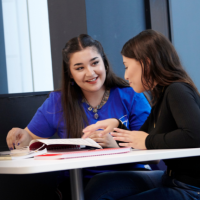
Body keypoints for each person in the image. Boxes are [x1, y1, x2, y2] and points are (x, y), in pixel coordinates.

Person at [6, 34, 151, 200]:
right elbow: (30, 139)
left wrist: (116, 148)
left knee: (99, 191)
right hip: (77, 182)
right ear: (70, 74)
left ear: (104, 63)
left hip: (129, 176)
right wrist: (20, 136)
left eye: (95, 63)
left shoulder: (131, 95)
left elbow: (151, 148)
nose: (90, 73)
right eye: (79, 68)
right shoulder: (57, 101)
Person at [83, 29, 200, 200]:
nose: (125, 75)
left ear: (147, 63)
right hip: (170, 179)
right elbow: (141, 137)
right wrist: (117, 124)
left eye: (127, 66)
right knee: (100, 185)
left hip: (191, 188)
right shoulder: (162, 95)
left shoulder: (177, 90)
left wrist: (147, 141)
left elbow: (196, 135)